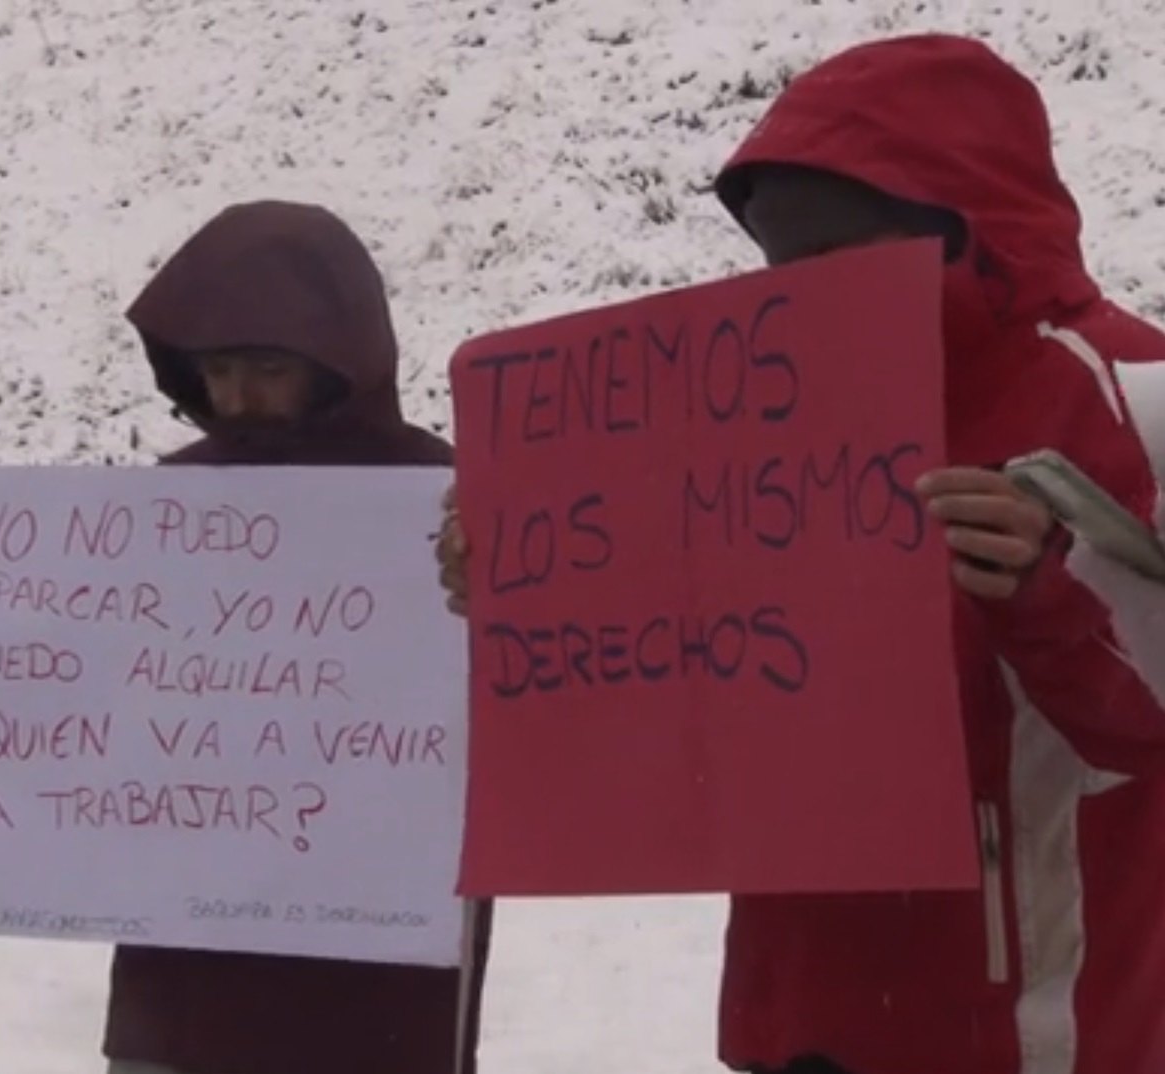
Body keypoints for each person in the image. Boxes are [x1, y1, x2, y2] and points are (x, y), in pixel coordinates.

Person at [438, 32, 1165, 1074]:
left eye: (839, 253)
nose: (801, 294)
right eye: (782, 262)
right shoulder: (758, 400)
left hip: (1034, 1028)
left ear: (965, 227)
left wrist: (1051, 590)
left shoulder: (1131, 392)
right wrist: (526, 589)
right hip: (801, 1017)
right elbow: (682, 667)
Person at [0, 200, 492, 1074]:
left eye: (266, 367)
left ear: (345, 362)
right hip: (180, 996)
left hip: (382, 997)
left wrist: (498, 601)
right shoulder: (164, 512)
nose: (238, 399)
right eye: (218, 370)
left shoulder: (449, 501)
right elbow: (79, 685)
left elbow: (549, 716)